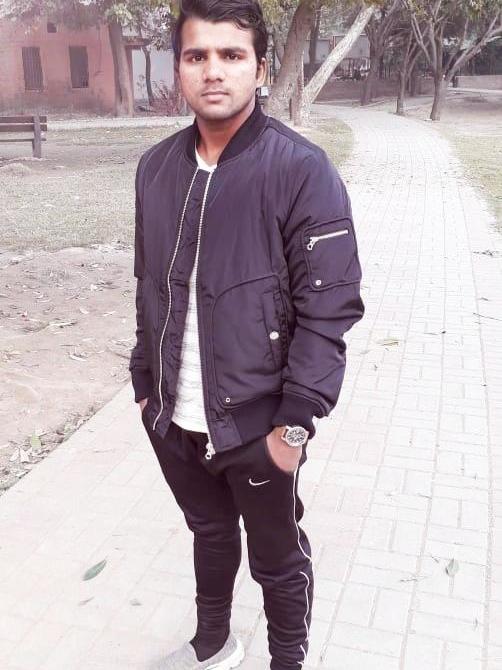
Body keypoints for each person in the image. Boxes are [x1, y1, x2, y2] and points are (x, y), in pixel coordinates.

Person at [129, 1, 365, 668]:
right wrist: (145, 385)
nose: (214, 71)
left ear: (260, 69)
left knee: (277, 559)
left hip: (259, 425)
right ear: (178, 68)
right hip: (174, 417)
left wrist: (293, 428)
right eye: (197, 55)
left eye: (231, 55)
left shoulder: (300, 169)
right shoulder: (155, 169)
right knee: (208, 530)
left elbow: (330, 308)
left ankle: (287, 661)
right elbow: (148, 281)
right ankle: (213, 645)